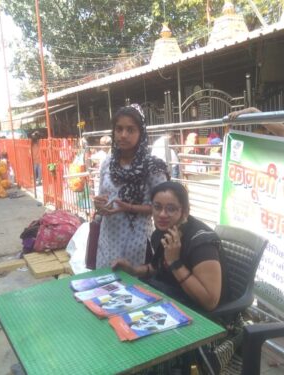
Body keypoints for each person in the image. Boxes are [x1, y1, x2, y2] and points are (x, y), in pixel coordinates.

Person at [112, 181, 225, 312]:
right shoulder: (161, 233)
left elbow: (210, 302)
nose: (162, 214)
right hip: (171, 300)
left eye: (171, 209)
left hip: (202, 315)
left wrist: (175, 262)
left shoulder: (202, 243)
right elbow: (156, 267)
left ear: (185, 211)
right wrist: (133, 270)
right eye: (157, 207)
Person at [93, 104, 169, 269]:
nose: (123, 135)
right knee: (105, 288)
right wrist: (98, 205)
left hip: (136, 243)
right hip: (107, 239)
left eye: (130, 130)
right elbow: (101, 198)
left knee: (133, 290)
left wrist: (129, 207)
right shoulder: (107, 163)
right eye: (119, 129)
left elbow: (165, 207)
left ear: (140, 133)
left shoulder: (152, 167)